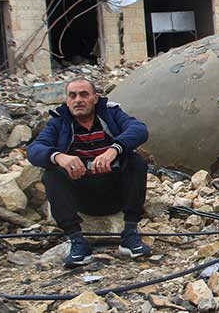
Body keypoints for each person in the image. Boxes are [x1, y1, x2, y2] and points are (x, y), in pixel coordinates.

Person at [27, 78, 151, 267]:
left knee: (136, 162)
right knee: (52, 174)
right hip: (81, 198)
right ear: (67, 100)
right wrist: (58, 156)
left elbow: (139, 129)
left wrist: (114, 149)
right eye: (72, 95)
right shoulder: (59, 122)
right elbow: (34, 150)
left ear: (95, 98)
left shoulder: (110, 113)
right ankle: (77, 241)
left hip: (116, 193)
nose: (78, 100)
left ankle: (130, 234)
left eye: (84, 94)